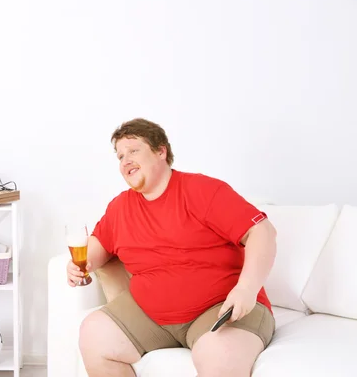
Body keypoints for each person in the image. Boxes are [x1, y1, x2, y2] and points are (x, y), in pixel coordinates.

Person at [66, 118, 277, 377]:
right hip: (150, 315)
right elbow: (98, 247)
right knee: (93, 333)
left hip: (219, 309)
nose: (125, 160)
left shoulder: (202, 190)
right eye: (120, 156)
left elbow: (263, 231)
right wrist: (81, 265)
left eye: (133, 150)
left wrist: (247, 289)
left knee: (217, 356)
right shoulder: (120, 207)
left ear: (161, 151)